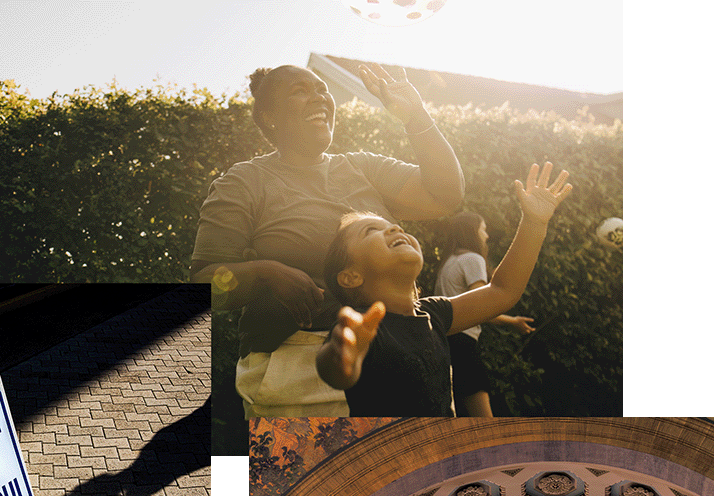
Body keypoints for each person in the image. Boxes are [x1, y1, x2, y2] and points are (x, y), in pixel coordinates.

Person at [189, 63, 463, 417]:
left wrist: (415, 115)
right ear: (269, 117)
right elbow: (204, 282)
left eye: (321, 88)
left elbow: (446, 195)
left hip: (401, 357)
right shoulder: (243, 182)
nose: (319, 95)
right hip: (299, 373)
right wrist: (265, 272)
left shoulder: (363, 166)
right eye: (299, 91)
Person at [316, 162, 572, 416]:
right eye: (372, 230)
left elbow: (503, 290)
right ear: (350, 277)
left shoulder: (434, 313)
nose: (395, 228)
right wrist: (344, 355)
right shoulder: (362, 328)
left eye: (394, 226)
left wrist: (534, 222)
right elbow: (335, 371)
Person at [435, 212, 537, 416]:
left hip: (445, 343)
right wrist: (513, 321)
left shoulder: (449, 262)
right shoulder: (472, 259)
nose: (487, 235)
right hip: (463, 344)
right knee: (482, 417)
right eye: (483, 229)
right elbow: (483, 306)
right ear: (473, 232)